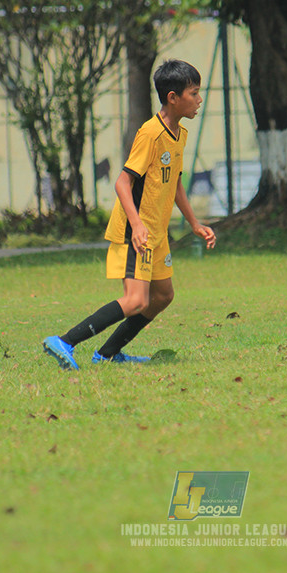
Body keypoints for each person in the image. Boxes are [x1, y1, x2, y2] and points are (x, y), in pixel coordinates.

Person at [42, 59, 216, 370]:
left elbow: (173, 181)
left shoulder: (180, 134)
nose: (199, 99)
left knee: (163, 296)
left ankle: (107, 354)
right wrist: (136, 225)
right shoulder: (150, 133)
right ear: (173, 97)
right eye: (194, 92)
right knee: (137, 300)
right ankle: (65, 341)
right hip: (136, 230)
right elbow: (123, 182)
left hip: (157, 232)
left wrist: (194, 223)